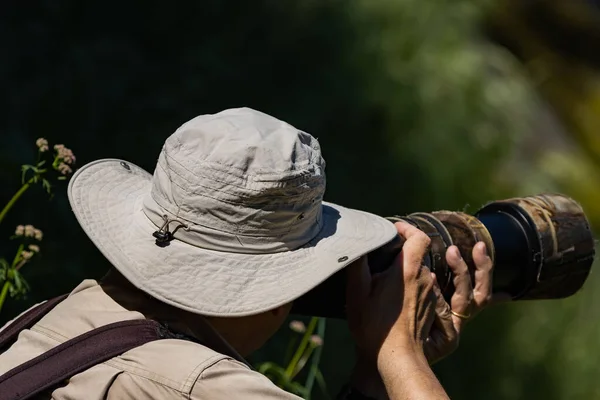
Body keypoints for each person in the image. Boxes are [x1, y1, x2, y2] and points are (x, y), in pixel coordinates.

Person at [0, 107, 494, 399]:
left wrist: (372, 376)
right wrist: (402, 357)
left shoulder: (52, 319)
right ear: (277, 290)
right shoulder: (204, 387)